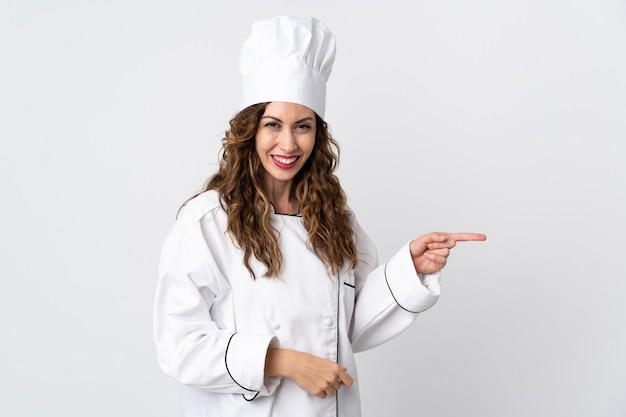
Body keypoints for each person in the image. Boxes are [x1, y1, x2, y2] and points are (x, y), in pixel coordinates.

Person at [153, 16, 486, 417]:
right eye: (272, 125)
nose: (288, 143)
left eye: (303, 126)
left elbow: (349, 327)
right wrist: (286, 362)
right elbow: (178, 344)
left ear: (318, 133)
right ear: (249, 131)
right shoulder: (208, 222)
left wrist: (408, 269)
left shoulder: (332, 217)